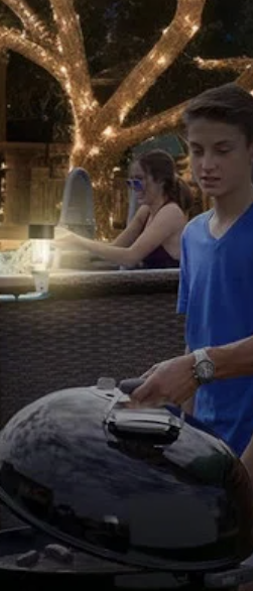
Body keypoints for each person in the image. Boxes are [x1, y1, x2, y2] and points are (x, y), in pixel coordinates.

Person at [131, 85, 253, 466]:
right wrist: (186, 440)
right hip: (210, 444)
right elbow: (195, 340)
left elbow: (196, 362)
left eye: (223, 149)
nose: (207, 164)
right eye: (197, 151)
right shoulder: (193, 235)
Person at [54, 149, 189, 269]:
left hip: (166, 294)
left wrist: (74, 239)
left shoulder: (170, 213)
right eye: (131, 182)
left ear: (160, 180)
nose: (134, 187)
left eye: (139, 180)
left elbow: (130, 258)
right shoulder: (146, 211)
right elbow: (115, 248)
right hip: (147, 290)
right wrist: (69, 247)